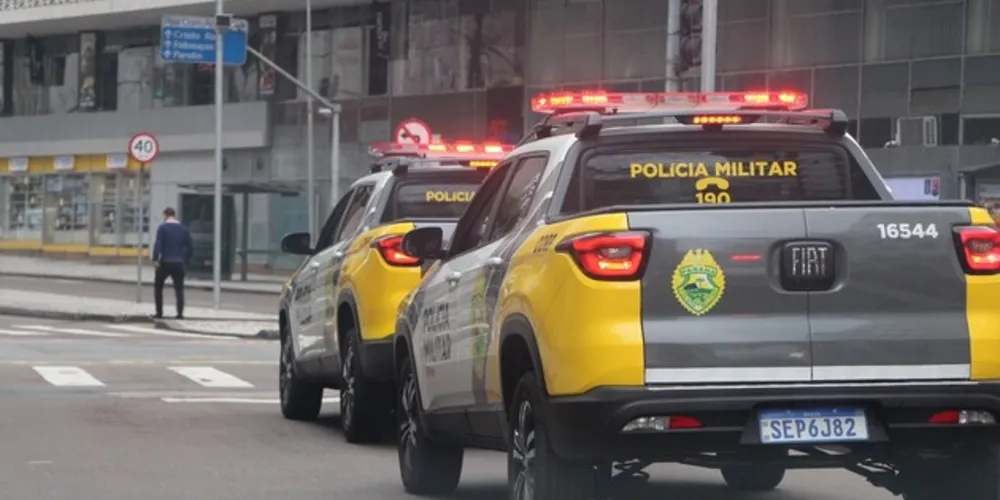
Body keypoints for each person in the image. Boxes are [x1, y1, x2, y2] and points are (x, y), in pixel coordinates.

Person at [152, 207, 193, 319]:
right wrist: (186, 260)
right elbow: (190, 246)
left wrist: (156, 259)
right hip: (179, 262)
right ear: (175, 215)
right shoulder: (183, 229)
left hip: (165, 261)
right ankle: (180, 313)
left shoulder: (162, 228)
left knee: (158, 287)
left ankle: (159, 313)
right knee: (179, 289)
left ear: (165, 215)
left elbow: (158, 244)